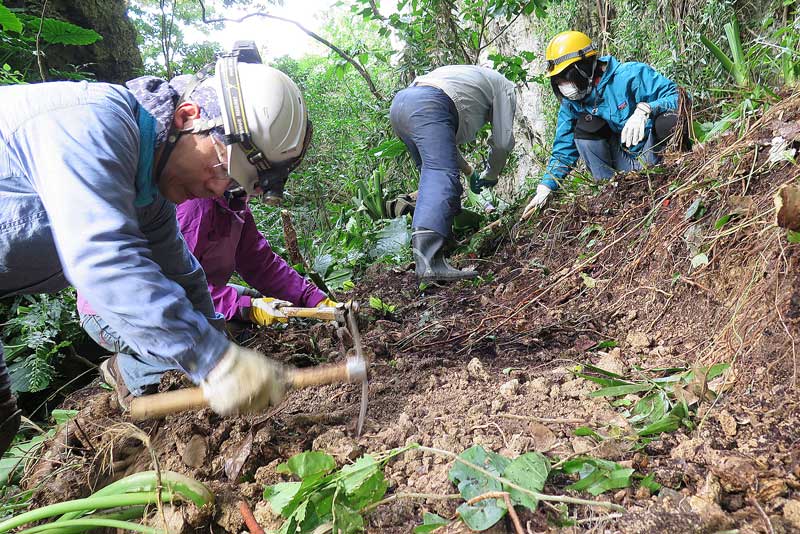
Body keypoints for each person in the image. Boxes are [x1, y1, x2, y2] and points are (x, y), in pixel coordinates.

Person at [0, 45, 309, 457]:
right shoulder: (92, 124)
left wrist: (223, 351)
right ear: (189, 116)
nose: (219, 189)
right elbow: (104, 259)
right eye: (223, 168)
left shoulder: (151, 199)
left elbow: (184, 276)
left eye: (234, 185)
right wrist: (214, 361)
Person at [78, 191, 336, 347]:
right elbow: (174, 284)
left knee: (256, 304)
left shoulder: (235, 205)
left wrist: (315, 300)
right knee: (205, 345)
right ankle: (128, 371)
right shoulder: (195, 207)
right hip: (118, 310)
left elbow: (261, 264)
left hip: (184, 292)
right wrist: (243, 308)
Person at [521, 31, 683, 220]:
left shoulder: (630, 75)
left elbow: (679, 97)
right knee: (586, 127)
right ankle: (611, 196)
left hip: (653, 153)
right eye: (559, 82)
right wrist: (546, 187)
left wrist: (646, 109)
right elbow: (563, 149)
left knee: (671, 119)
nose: (564, 86)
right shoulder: (572, 104)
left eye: (567, 78)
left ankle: (672, 173)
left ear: (584, 67)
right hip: (619, 168)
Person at [390, 65, 517, 281]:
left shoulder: (469, 79)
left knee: (432, 177)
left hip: (401, 106)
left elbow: (445, 147)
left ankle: (442, 247)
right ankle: (429, 263)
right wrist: (492, 174)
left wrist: (469, 171)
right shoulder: (505, 88)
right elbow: (503, 142)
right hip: (428, 104)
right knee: (441, 176)